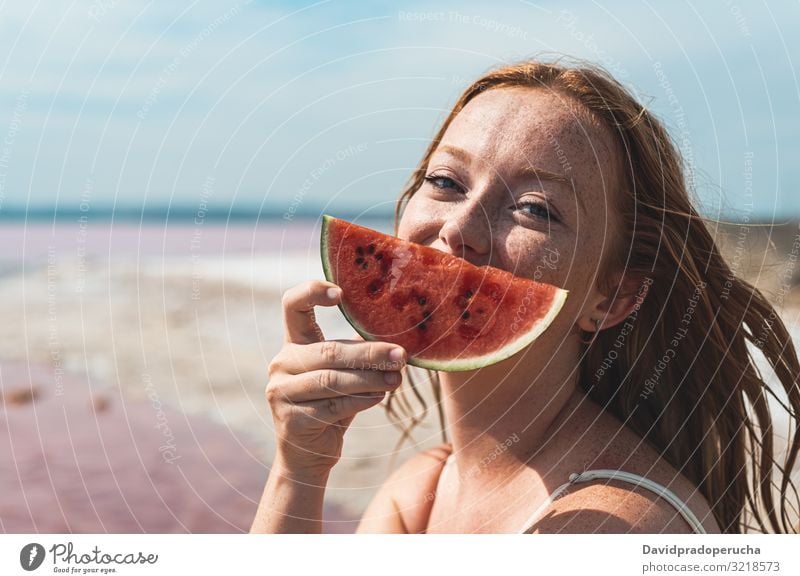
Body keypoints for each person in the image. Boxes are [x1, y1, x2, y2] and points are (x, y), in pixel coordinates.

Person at [250, 58, 800, 534]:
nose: (460, 227)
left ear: (613, 296)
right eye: (445, 181)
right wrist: (299, 466)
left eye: (535, 208)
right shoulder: (421, 494)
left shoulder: (605, 528)